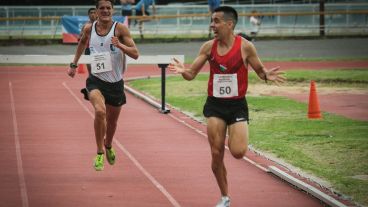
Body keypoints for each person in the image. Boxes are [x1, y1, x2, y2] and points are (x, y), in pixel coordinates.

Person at [168, 6, 285, 207]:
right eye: (211, 21)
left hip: (237, 105)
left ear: (229, 24)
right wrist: (182, 70)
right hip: (215, 105)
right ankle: (224, 197)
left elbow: (260, 70)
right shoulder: (208, 47)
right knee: (216, 153)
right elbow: (191, 75)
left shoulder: (245, 46)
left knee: (238, 152)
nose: (212, 25)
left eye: (216, 21)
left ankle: (236, 131)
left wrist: (267, 75)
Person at [67, 0, 139, 171]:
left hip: (115, 83)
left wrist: (119, 45)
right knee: (100, 111)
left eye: (108, 8)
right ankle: (99, 152)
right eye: (102, 8)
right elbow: (82, 44)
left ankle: (108, 145)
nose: (105, 11)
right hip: (96, 81)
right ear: (96, 11)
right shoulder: (88, 29)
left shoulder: (120, 29)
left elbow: (136, 54)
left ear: (113, 10)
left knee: (112, 124)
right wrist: (74, 64)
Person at [80, 8, 98, 74]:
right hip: (88, 49)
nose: (93, 14)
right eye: (91, 13)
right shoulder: (85, 26)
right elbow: (80, 38)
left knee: (99, 69)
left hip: (99, 49)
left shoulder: (101, 25)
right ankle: (92, 82)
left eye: (94, 13)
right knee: (89, 68)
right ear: (88, 15)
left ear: (97, 14)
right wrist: (82, 35)